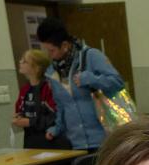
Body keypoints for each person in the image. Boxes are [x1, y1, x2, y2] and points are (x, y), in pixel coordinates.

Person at [37, 17, 125, 152]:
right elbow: (61, 106)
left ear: (65, 45)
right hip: (76, 144)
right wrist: (57, 128)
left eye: (52, 50)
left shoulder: (91, 56)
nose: (49, 55)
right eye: (46, 51)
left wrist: (90, 79)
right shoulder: (52, 72)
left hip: (104, 139)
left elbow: (117, 82)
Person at [13, 48, 72, 165]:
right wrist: (18, 118)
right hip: (31, 142)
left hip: (49, 142)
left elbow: (55, 115)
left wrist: (31, 122)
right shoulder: (25, 90)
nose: (20, 63)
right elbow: (20, 109)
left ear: (36, 67)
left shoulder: (49, 88)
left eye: (24, 61)